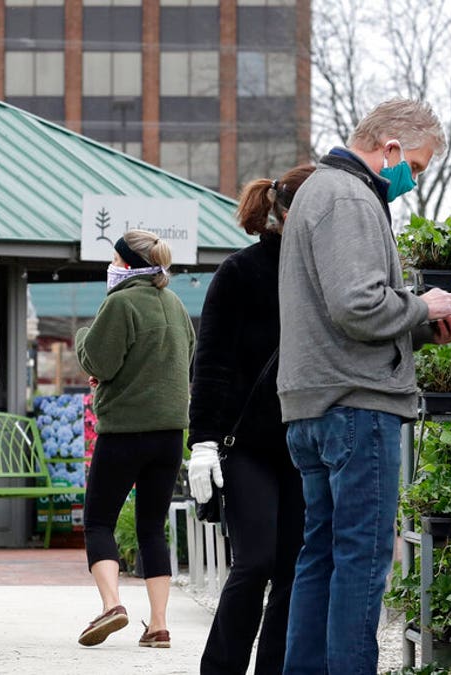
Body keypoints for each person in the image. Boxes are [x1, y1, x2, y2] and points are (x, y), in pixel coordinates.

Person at [276, 99, 451, 673]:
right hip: (356, 408)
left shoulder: (317, 191)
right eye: (418, 163)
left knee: (321, 557)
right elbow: (357, 306)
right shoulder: (349, 198)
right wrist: (424, 303)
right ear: (389, 149)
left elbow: (339, 312)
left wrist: (421, 327)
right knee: (361, 560)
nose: (417, 175)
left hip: (316, 405)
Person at [188, 164, 315, 675]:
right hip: (245, 445)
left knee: (292, 570)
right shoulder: (240, 272)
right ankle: (220, 667)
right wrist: (203, 441)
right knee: (256, 561)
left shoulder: (323, 272)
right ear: (287, 211)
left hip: (307, 439)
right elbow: (211, 361)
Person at [75, 229, 195, 650]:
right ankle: (159, 624)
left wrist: (82, 340)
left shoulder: (121, 301)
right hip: (169, 435)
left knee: (99, 521)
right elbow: (182, 358)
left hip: (124, 431)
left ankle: (112, 605)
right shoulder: (176, 304)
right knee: (151, 528)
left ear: (125, 263)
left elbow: (98, 360)